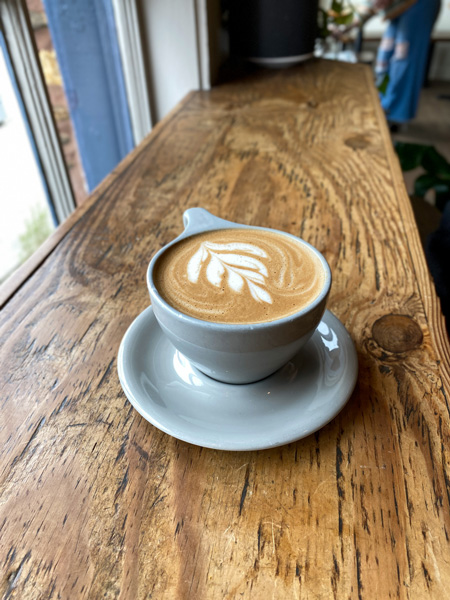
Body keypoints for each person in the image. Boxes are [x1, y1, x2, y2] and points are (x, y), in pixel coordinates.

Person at [345, 0, 442, 124]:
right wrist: (348, 26)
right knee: (385, 55)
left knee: (404, 57)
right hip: (397, 8)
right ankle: (381, 103)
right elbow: (370, 6)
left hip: (419, 4)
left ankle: (393, 114)